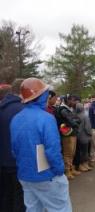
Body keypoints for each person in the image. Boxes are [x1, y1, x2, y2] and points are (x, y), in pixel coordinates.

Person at [10, 78, 72, 212]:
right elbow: (52, 151)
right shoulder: (46, 118)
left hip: (25, 176)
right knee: (60, 208)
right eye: (46, 94)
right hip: (47, 176)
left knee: (33, 209)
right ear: (41, 96)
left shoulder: (16, 119)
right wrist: (59, 171)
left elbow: (14, 150)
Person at [0, 79, 25, 212]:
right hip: (18, 163)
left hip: (3, 162)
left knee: (5, 197)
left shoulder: (3, 107)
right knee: (20, 200)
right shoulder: (23, 110)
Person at [55, 94, 81, 180]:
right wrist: (75, 122)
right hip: (67, 135)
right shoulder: (63, 109)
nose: (74, 102)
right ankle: (67, 171)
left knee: (72, 153)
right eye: (73, 100)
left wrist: (75, 121)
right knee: (67, 153)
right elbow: (72, 121)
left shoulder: (69, 109)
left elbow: (77, 119)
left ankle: (71, 168)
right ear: (68, 100)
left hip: (72, 133)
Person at [75, 103, 92, 172]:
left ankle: (83, 165)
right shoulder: (85, 116)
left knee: (79, 151)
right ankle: (83, 165)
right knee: (85, 152)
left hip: (78, 136)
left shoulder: (75, 115)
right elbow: (87, 127)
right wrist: (90, 133)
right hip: (84, 136)